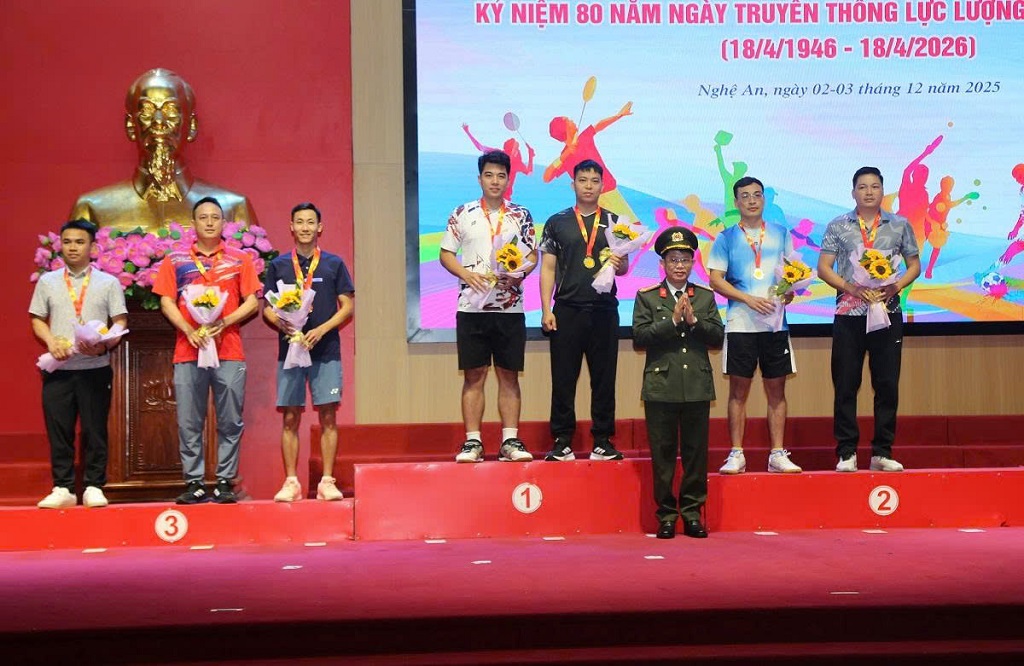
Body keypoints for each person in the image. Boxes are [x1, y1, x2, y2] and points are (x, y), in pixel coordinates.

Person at [153, 197, 261, 503]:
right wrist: (188, 330)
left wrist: (224, 321)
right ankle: (194, 482)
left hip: (229, 350)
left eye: (215, 217)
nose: (210, 222)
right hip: (188, 349)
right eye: (204, 217)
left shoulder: (240, 259)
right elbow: (165, 301)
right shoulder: (175, 260)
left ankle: (225, 480)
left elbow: (253, 302)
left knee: (230, 419)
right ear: (194, 223)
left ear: (224, 223)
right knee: (189, 420)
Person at [817, 167, 921, 472]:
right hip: (849, 314)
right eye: (862, 187)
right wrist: (851, 288)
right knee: (846, 384)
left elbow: (914, 265)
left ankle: (882, 452)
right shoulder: (838, 225)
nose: (869, 192)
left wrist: (895, 286)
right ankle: (846, 452)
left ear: (882, 191)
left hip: (887, 314)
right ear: (853, 192)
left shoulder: (900, 225)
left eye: (875, 186)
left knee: (887, 384)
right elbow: (824, 268)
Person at [439, 151, 537, 463]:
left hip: (510, 308)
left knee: (509, 376)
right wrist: (465, 274)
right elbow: (446, 253)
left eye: (501, 176)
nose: (495, 181)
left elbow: (532, 255)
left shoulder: (521, 215)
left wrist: (518, 274)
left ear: (508, 180)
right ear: (480, 178)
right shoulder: (462, 213)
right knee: (474, 376)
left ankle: (510, 441)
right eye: (489, 175)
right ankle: (473, 442)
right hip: (471, 308)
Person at [71, 68, 257, 232]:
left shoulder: (232, 208)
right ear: (130, 126)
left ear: (192, 126)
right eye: (147, 111)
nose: (158, 121)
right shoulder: (93, 209)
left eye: (171, 111)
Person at [633, 227, 724, 538]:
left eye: (685, 259)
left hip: (696, 385)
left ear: (693, 263)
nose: (680, 265)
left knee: (696, 455)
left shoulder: (705, 296)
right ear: (662, 264)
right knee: (663, 456)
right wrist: (672, 321)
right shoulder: (647, 297)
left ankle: (693, 514)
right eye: (673, 260)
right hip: (661, 387)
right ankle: (667, 516)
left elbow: (717, 337)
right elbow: (640, 337)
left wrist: (694, 321)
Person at [30, 220, 128, 509]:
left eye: (79, 242)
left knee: (94, 429)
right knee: (59, 430)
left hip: (95, 368)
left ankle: (94, 486)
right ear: (60, 245)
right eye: (67, 242)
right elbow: (37, 318)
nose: (73, 247)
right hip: (58, 369)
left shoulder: (108, 283)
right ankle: (63, 487)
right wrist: (51, 341)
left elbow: (120, 321)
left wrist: (104, 344)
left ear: (93, 247)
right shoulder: (48, 281)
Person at [708, 176, 802, 475]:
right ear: (736, 202)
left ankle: (777, 454)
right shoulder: (726, 237)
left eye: (757, 195)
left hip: (775, 324)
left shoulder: (781, 233)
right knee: (738, 391)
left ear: (764, 199)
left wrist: (789, 292)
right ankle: (736, 453)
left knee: (777, 391)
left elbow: (792, 274)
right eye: (745, 196)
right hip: (740, 324)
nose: (751, 200)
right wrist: (747, 299)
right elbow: (715, 279)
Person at [539, 159, 629, 461]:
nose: (588, 186)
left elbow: (624, 268)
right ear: (573, 184)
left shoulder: (616, 221)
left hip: (604, 310)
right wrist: (546, 309)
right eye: (583, 180)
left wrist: (620, 262)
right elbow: (547, 268)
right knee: (563, 378)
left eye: (594, 181)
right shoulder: (557, 222)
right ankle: (562, 440)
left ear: (602, 186)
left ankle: (603, 440)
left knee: (604, 378)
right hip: (567, 309)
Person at [266, 203, 355, 501]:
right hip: (290, 350)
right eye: (299, 222)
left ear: (320, 227)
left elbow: (347, 307)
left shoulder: (333, 264)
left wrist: (322, 330)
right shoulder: (278, 265)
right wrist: (281, 323)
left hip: (325, 350)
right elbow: (267, 308)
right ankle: (291, 482)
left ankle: (327, 481)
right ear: (291, 227)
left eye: (310, 222)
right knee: (290, 416)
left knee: (328, 415)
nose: (305, 227)